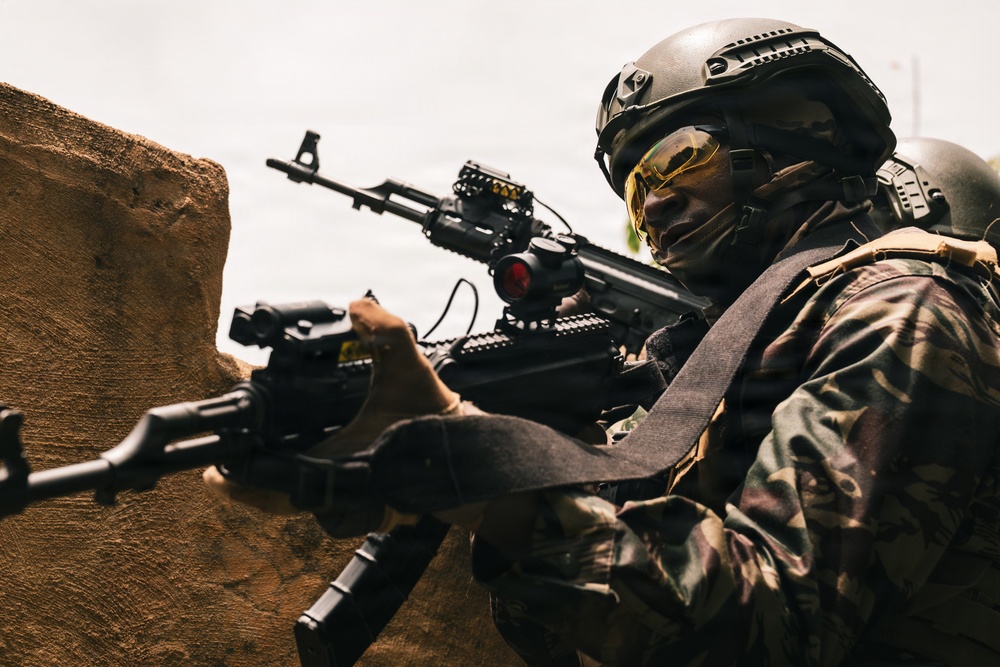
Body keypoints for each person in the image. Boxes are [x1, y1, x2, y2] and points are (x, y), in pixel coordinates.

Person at [206, 18, 1000, 666]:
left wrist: (486, 477)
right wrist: (534, 450)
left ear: (790, 142)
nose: (651, 206)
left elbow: (780, 624)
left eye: (677, 160)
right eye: (636, 186)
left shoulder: (906, 305)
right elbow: (572, 628)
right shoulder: (727, 353)